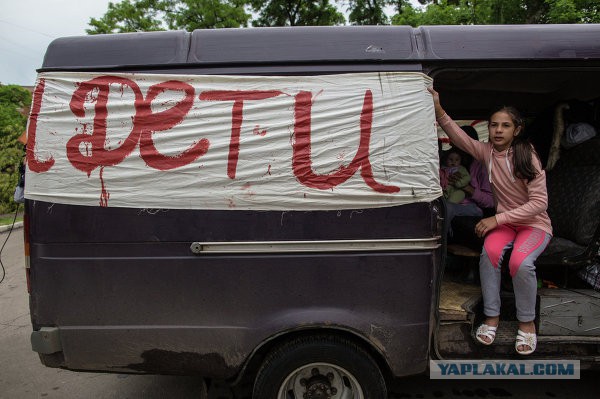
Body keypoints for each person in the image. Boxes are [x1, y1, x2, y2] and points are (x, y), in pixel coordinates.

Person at [428, 87, 553, 355]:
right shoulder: (486, 153)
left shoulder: (526, 155)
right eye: (494, 125)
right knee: (490, 255)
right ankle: (492, 318)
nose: (498, 130)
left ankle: (527, 323)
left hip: (534, 225)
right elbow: (460, 138)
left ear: (516, 130)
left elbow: (539, 204)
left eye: (505, 126)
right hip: (506, 225)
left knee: (521, 263)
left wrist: (498, 218)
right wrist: (439, 111)